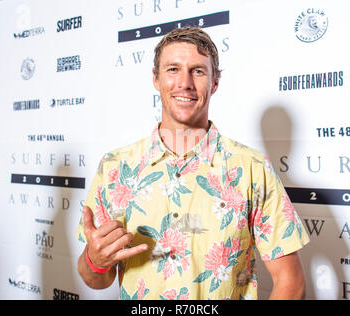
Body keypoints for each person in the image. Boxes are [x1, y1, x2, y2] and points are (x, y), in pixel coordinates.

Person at [76, 26, 310, 300]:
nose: (184, 83)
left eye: (197, 71)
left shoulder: (252, 168)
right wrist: (95, 260)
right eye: (172, 69)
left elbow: (290, 282)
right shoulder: (115, 168)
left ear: (215, 83)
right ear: (155, 78)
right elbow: (95, 279)